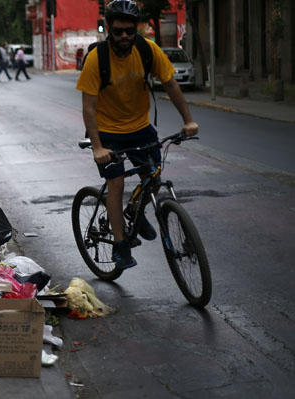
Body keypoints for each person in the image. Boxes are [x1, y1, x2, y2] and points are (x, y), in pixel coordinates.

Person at [76, 0, 198, 270]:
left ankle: (134, 210)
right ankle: (120, 246)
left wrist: (188, 120)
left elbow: (170, 84)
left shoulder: (146, 49)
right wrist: (97, 147)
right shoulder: (97, 58)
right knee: (116, 184)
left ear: (136, 29)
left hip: (140, 127)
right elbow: (88, 106)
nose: (124, 37)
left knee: (154, 179)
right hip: (107, 132)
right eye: (118, 31)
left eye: (129, 31)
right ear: (108, 28)